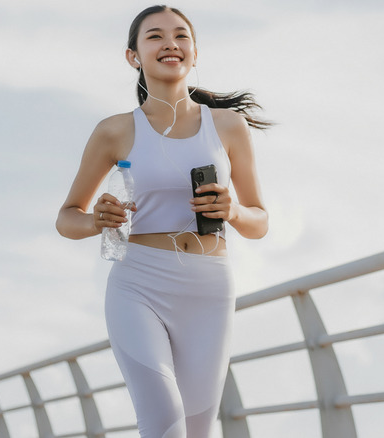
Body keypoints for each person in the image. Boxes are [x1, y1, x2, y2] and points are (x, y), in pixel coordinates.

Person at [56, 5, 269, 437]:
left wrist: (232, 211)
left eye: (180, 35)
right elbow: (67, 218)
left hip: (209, 285)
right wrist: (96, 218)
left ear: (194, 52)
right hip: (138, 283)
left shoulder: (227, 126)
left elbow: (259, 220)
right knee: (163, 420)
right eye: (154, 36)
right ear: (133, 55)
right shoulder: (114, 131)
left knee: (197, 430)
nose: (170, 43)